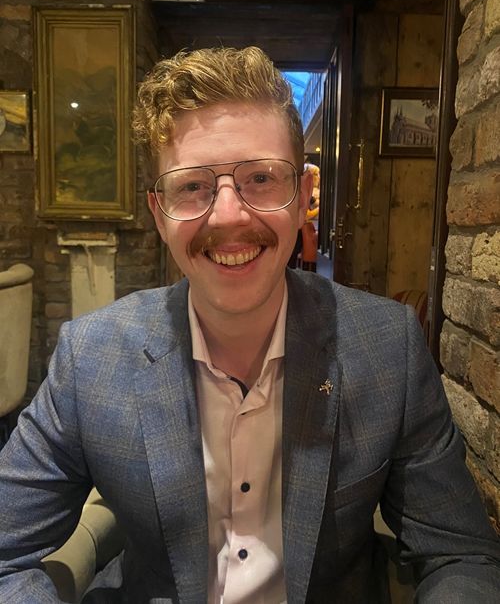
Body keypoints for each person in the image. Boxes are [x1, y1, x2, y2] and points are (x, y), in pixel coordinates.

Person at [0, 46, 499, 604]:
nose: (229, 215)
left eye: (261, 178)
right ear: (159, 214)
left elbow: (462, 557)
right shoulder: (90, 358)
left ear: (302, 198)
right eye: (192, 185)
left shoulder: (388, 347)